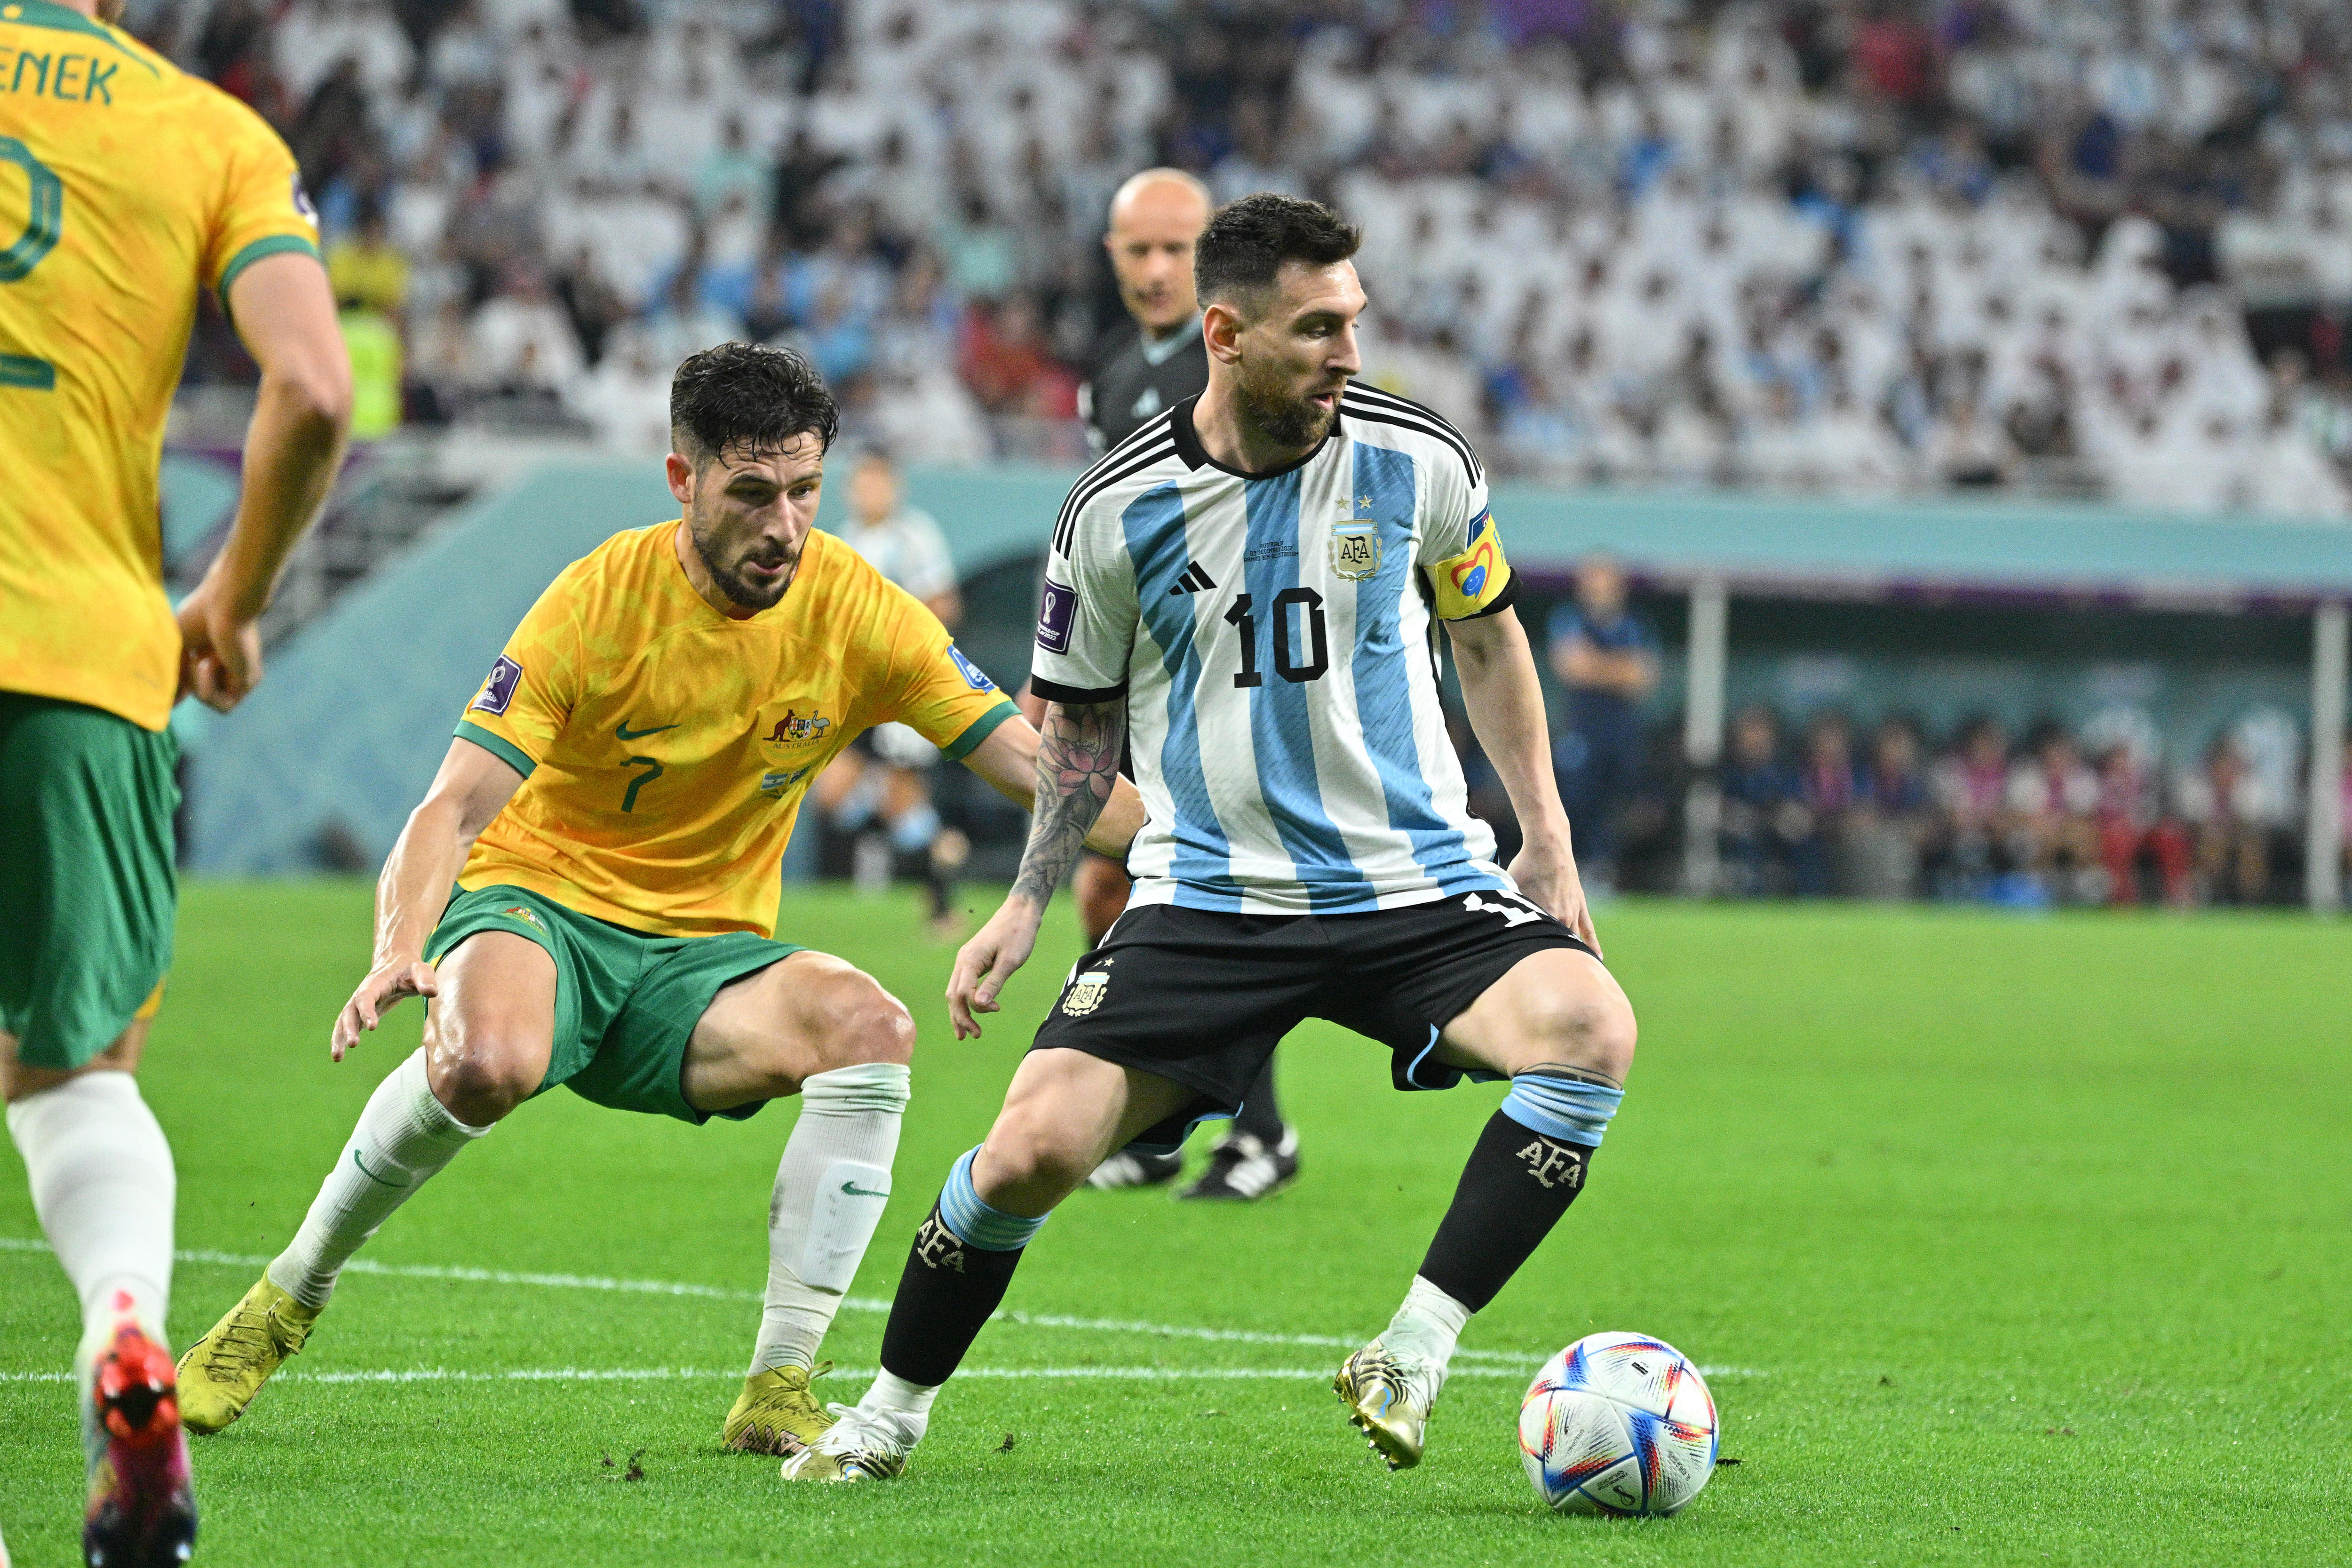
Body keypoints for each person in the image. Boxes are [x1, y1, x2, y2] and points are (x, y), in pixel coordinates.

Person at [780, 195, 1637, 1483]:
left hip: (1415, 883)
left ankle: (1412, 1346)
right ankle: (887, 1413)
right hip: (1207, 900)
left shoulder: (1421, 461)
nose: (1350, 351)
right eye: (1318, 329)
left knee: (1591, 1029)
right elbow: (1072, 727)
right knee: (1026, 1152)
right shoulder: (1116, 511)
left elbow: (1489, 636)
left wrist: (1548, 843)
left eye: (1354, 321)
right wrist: (1027, 899)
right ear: (1226, 333)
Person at [171, 346, 1144, 1462]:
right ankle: (289, 1295)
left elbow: (1039, 768)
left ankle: (780, 1384)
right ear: (682, 481)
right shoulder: (597, 602)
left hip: (703, 960)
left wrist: (1204, 849)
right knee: (489, 1061)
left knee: (873, 1027)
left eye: (804, 491)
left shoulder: (858, 609)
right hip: (541, 908)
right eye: (751, 494)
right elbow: (452, 807)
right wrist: (400, 945)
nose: (784, 525)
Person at [0, 3, 353, 1560]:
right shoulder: (210, 131)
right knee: (80, 1074)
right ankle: (125, 1333)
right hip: (81, 653)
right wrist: (232, 597)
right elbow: (318, 388)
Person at [1062, 167, 1304, 1201]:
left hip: (1231, 675)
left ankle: (1260, 1133)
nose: (1157, 269)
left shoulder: (1249, 363)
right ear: (1111, 255)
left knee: (1223, 899)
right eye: (1139, 250)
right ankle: (1167, 1124)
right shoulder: (1112, 376)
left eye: (1177, 249)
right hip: (1138, 673)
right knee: (1108, 886)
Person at [813, 448, 972, 931]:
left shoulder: (914, 536)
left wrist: (895, 638)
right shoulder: (844, 541)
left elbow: (945, 605)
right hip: (855, 690)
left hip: (899, 687)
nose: (868, 492)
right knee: (834, 791)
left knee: (901, 795)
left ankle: (941, 903)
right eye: (860, 483)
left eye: (877, 482)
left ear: (893, 487)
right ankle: (941, 852)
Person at [1545, 557, 1658, 891]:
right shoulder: (1568, 619)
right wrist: (1619, 668)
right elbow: (1571, 667)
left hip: (1621, 728)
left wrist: (1596, 665)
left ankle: (1601, 873)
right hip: (1581, 726)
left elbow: (1643, 677)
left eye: (1606, 584)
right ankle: (1568, 874)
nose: (1599, 591)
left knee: (1617, 802)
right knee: (1576, 800)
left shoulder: (1635, 625)